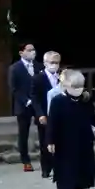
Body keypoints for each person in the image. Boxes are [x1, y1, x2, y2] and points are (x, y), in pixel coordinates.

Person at [45, 69, 95, 189]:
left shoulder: (85, 100)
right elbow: (52, 122)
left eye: (79, 86)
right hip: (64, 142)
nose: (77, 89)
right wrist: (50, 141)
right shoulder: (58, 101)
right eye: (74, 86)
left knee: (82, 170)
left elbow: (92, 117)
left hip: (83, 141)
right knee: (67, 172)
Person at [7, 41, 38, 172]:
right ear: (21, 52)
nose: (32, 52)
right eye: (29, 50)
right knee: (23, 133)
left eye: (33, 50)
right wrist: (26, 100)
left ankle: (48, 158)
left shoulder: (39, 66)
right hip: (23, 105)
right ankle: (25, 161)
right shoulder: (14, 68)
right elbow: (13, 88)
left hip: (38, 104)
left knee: (45, 130)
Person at [31, 50, 61, 178]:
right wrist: (40, 114)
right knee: (45, 143)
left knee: (60, 142)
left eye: (57, 62)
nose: (54, 65)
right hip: (44, 115)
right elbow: (35, 98)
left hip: (59, 114)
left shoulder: (62, 77)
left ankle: (59, 168)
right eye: (52, 62)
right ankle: (46, 168)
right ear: (45, 63)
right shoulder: (38, 78)